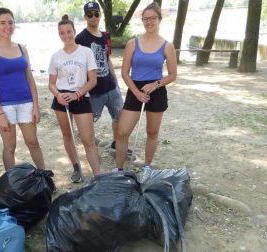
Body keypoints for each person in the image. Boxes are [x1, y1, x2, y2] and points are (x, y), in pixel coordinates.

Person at [114, 3, 177, 181]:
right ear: (142, 21)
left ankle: (147, 167)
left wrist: (156, 84)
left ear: (159, 20)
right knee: (122, 132)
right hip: (135, 90)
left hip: (156, 91)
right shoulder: (132, 43)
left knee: (152, 132)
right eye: (146, 19)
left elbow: (172, 75)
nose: (149, 22)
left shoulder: (167, 46)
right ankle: (118, 170)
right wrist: (136, 92)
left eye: (153, 18)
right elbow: (125, 73)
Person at [0, 8, 46, 170]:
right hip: (4, 106)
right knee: (10, 147)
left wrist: (36, 107)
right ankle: (10, 185)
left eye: (10, 22)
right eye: (3, 23)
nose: (7, 26)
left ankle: (44, 176)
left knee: (33, 142)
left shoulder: (22, 48)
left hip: (26, 102)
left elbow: (30, 80)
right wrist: (0, 114)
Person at [48, 14, 101, 182]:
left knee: (88, 140)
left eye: (69, 31)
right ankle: (76, 167)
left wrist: (77, 94)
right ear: (59, 35)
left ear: (74, 31)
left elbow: (93, 80)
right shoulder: (56, 56)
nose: (66, 36)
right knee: (67, 136)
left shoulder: (85, 52)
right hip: (62, 98)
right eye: (62, 33)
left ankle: (98, 176)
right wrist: (58, 95)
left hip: (80, 96)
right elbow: (51, 83)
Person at [75, 2, 131, 156]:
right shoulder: (80, 38)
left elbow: (107, 59)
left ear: (100, 15)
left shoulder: (106, 36)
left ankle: (115, 144)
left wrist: (116, 82)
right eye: (90, 14)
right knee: (89, 121)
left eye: (96, 13)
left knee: (119, 117)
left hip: (111, 87)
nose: (93, 17)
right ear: (85, 16)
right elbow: (78, 66)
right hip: (94, 92)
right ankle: (91, 145)